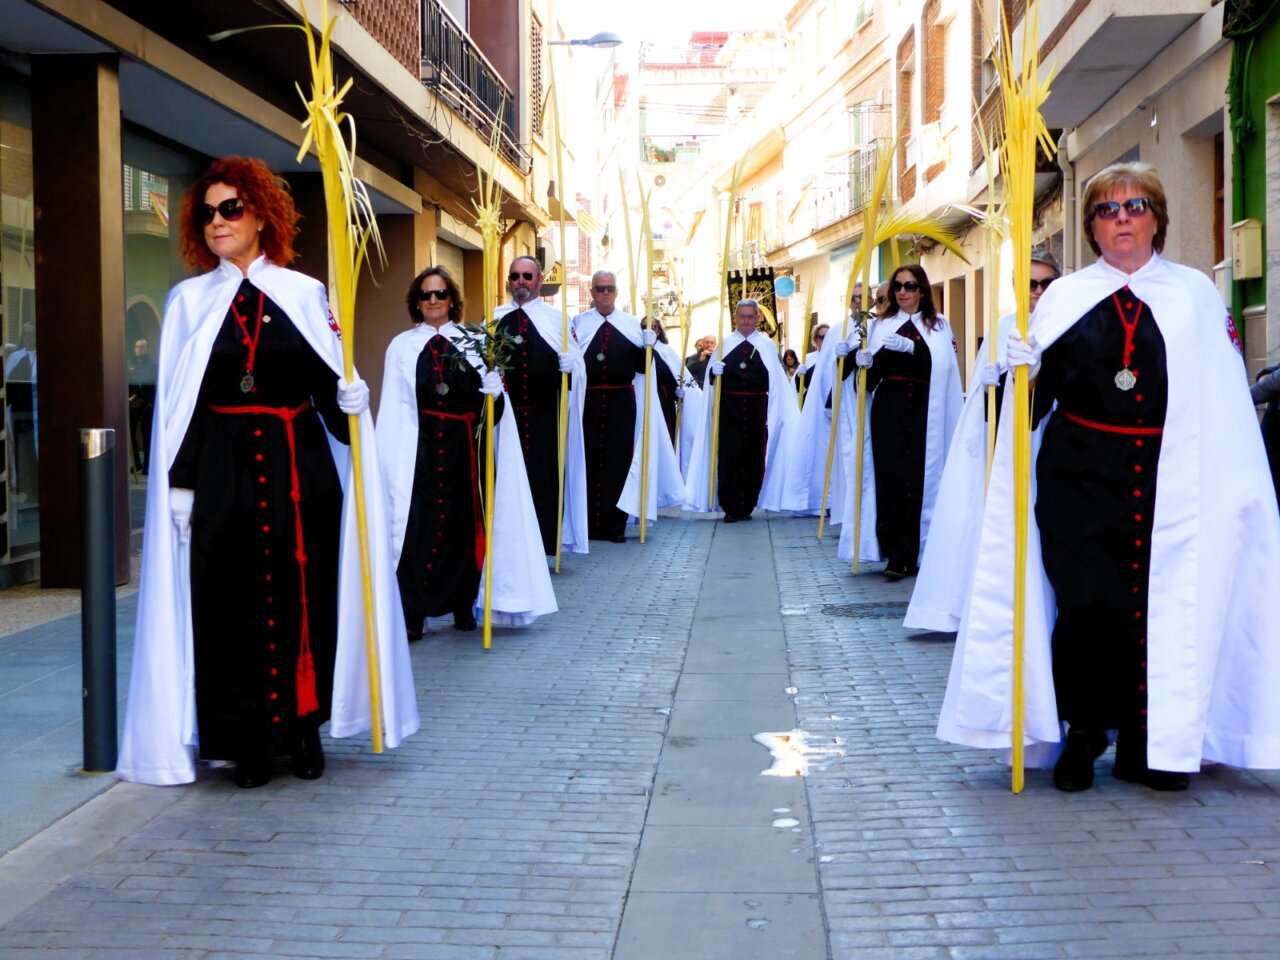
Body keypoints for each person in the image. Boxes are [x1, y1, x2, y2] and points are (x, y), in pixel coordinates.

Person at [939, 161, 1280, 792]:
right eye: (1107, 209)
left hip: (1167, 479)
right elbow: (1026, 413)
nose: (1122, 219)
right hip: (1076, 477)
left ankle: (1147, 744)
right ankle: (1086, 730)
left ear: (1157, 219)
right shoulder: (1063, 298)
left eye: (1135, 207)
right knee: (1086, 605)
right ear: (1092, 227)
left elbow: (1222, 398)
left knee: (1153, 609)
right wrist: (1013, 376)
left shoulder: (1193, 295)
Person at [117, 156, 418, 788]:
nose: (218, 221)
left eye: (231, 208)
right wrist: (179, 483)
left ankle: (304, 732)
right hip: (222, 476)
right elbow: (181, 406)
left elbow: (328, 389)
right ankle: (244, 742)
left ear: (260, 216)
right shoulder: (188, 302)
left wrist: (352, 406)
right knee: (227, 607)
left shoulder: (304, 294)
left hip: (298, 473)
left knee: (303, 600)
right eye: (208, 212)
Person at [376, 266, 555, 638]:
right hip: (419, 452)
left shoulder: (475, 344)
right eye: (426, 295)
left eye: (440, 294)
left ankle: (463, 604)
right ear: (416, 302)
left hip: (463, 452)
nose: (433, 301)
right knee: (416, 531)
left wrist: (493, 392)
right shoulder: (402, 347)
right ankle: (414, 612)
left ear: (452, 300)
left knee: (462, 531)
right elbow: (396, 408)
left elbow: (495, 415)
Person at [904, 248, 1061, 633]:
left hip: (1053, 441)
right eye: (1030, 284)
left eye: (1046, 283)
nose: (1038, 291)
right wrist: (990, 385)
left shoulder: (1067, 324)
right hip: (1007, 443)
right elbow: (980, 394)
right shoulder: (1003, 326)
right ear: (1016, 285)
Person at [839, 264, 963, 580]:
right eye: (897, 287)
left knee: (920, 479)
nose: (903, 292)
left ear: (922, 290)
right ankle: (895, 553)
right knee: (890, 479)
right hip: (889, 411)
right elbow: (868, 381)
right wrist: (861, 362)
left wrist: (915, 349)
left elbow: (944, 369)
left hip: (925, 410)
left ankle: (920, 550)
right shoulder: (881, 326)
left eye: (909, 286)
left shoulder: (938, 326)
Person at [570, 272, 682, 542]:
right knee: (588, 459)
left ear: (616, 292)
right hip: (589, 401)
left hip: (621, 401)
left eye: (609, 288)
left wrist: (647, 349)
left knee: (619, 461)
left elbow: (642, 368)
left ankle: (615, 525)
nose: (605, 293)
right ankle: (589, 524)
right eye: (600, 289)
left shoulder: (630, 324)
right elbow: (573, 360)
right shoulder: (579, 323)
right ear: (592, 292)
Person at [492, 256, 588, 557]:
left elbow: (578, 367)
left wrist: (571, 367)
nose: (521, 281)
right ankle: (509, 548)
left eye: (527, 276)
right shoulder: (494, 319)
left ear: (539, 280)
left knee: (545, 480)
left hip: (546, 416)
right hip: (507, 417)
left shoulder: (557, 320)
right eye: (515, 276)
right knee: (507, 479)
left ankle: (545, 545)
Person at [684, 299, 799, 521]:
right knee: (730, 455)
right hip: (729, 408)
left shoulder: (766, 345)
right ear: (735, 317)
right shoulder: (725, 344)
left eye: (750, 317)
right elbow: (710, 383)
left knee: (754, 456)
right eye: (742, 316)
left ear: (757, 318)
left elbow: (775, 380)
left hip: (757, 408)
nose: (746, 321)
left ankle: (747, 504)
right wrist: (713, 373)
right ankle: (730, 505)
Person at [128, 338, 158, 474]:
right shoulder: (130, 364)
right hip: (132, 403)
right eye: (137, 347)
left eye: (141, 347)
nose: (138, 349)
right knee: (131, 436)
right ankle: (136, 463)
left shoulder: (153, 366)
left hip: (147, 404)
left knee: (147, 436)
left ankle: (147, 464)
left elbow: (153, 385)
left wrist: (150, 402)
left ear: (147, 349)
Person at [793, 323, 830, 401]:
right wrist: (799, 375)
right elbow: (799, 387)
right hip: (812, 400)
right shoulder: (808, 358)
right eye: (823, 337)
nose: (826, 340)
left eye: (829, 337)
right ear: (816, 339)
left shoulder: (837, 357)